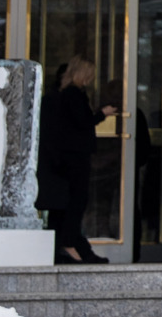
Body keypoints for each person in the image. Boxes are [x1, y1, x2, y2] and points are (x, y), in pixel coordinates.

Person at [38, 58, 116, 264]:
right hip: (74, 159)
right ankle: (69, 243)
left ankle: (70, 246)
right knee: (76, 202)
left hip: (65, 159)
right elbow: (82, 122)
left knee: (67, 204)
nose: (91, 79)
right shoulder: (73, 95)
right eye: (89, 74)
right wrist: (102, 114)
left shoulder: (62, 96)